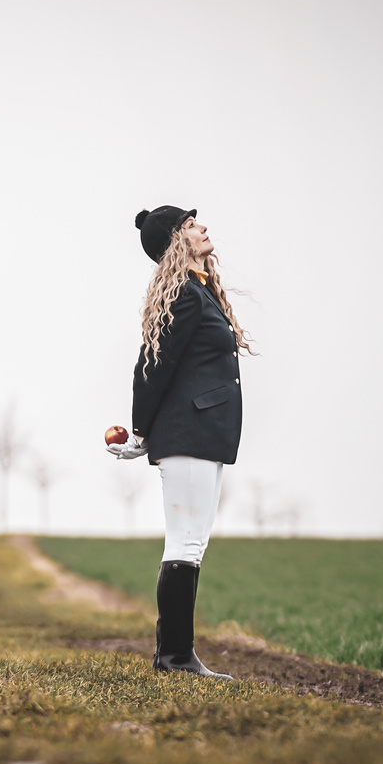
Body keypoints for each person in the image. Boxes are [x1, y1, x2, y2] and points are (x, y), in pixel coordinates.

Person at [107, 205, 250, 677]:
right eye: (191, 225)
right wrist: (142, 432)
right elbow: (151, 367)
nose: (203, 227)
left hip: (204, 433)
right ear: (174, 241)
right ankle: (174, 657)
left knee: (194, 543)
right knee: (184, 544)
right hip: (186, 432)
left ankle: (177, 656)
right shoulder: (185, 296)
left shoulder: (201, 290)